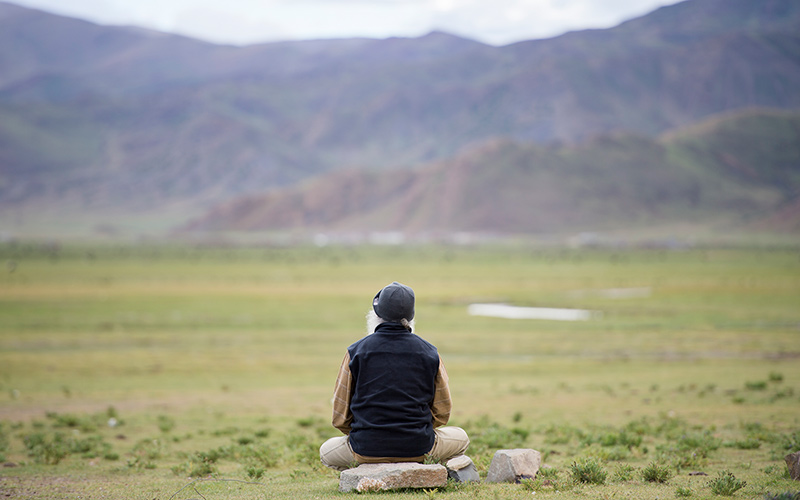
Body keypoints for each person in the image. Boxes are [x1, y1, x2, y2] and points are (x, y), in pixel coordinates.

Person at [319, 281, 471, 471]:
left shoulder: (355, 351)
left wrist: (370, 433)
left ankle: (366, 475)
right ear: (410, 317)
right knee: (461, 438)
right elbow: (442, 413)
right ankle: (423, 471)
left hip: (365, 449)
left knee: (326, 451)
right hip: (419, 447)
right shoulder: (430, 353)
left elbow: (339, 418)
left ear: (376, 315)